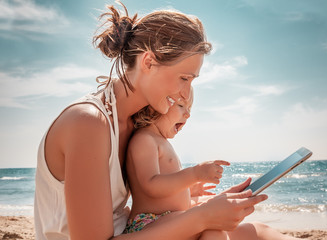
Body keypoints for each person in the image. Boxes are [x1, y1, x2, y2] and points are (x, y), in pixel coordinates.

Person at [34, 2, 299, 239]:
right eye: (184, 78)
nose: (185, 93)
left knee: (257, 232)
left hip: (130, 230)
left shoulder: (130, 121)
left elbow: (138, 194)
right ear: (148, 61)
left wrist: (187, 196)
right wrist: (203, 215)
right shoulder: (88, 123)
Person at [125, 89, 230, 239]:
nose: (188, 114)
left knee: (215, 230)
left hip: (164, 221)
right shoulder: (145, 139)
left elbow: (166, 184)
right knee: (213, 228)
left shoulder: (160, 141)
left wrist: (188, 190)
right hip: (148, 223)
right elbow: (150, 184)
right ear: (154, 106)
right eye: (181, 106)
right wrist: (195, 174)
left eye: (189, 109)